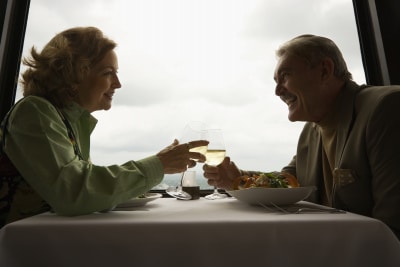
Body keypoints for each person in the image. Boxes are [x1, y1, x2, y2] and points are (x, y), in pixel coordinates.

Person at [0, 26, 208, 226]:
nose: (118, 84)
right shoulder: (35, 111)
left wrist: (159, 164)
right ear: (73, 74)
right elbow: (73, 193)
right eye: (108, 73)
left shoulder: (68, 122)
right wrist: (159, 164)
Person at [203, 34, 400, 239]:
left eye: (285, 76)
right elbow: (289, 182)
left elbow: (392, 228)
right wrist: (238, 179)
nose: (278, 91)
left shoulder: (386, 108)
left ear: (325, 71)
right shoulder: (312, 130)